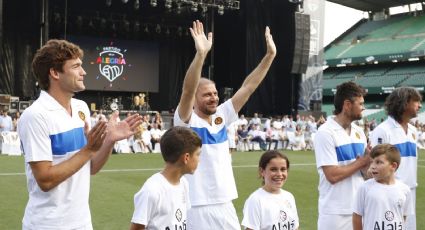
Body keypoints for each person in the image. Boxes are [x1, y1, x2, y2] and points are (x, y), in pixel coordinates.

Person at [17, 39, 142, 230]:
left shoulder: (81, 108)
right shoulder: (35, 116)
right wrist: (88, 149)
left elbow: (90, 167)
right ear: (54, 73)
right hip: (47, 224)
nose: (83, 72)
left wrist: (109, 141)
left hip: (82, 223)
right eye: (76, 66)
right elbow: (45, 180)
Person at [174, 20, 276, 229]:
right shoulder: (185, 119)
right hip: (195, 205)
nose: (213, 98)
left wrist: (269, 57)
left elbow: (248, 87)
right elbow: (187, 90)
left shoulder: (222, 116)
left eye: (215, 93)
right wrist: (201, 55)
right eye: (207, 95)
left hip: (225, 202)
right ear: (194, 99)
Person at [313, 81, 371, 230]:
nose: (363, 108)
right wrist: (362, 162)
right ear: (347, 105)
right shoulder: (326, 132)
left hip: (359, 209)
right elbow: (332, 175)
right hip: (335, 213)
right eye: (360, 103)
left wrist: (368, 167)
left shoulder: (359, 132)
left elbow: (366, 174)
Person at [130, 126, 202, 230]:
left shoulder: (184, 183)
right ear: (186, 158)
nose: (199, 160)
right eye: (198, 154)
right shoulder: (152, 190)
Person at [370, 86, 422, 229]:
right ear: (405, 103)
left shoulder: (413, 130)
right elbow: (376, 167)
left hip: (410, 191)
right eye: (416, 101)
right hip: (390, 192)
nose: (420, 105)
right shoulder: (383, 131)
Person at [353, 144, 413, 230]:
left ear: (393, 166)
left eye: (378, 162)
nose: (373, 166)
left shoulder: (405, 190)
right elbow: (357, 216)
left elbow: (402, 216)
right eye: (372, 162)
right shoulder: (365, 188)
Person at [241, 150, 299, 230]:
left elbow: (295, 227)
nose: (279, 174)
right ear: (262, 171)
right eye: (273, 169)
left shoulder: (289, 196)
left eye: (283, 169)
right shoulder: (256, 200)